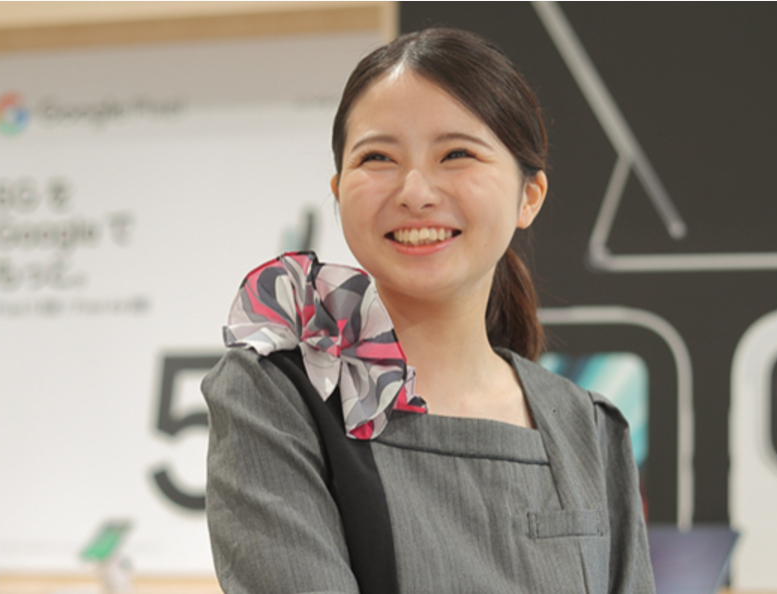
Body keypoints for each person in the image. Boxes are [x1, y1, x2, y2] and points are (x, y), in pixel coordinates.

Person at [203, 27, 655, 594]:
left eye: (456, 154)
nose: (415, 192)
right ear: (339, 191)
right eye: (378, 158)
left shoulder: (587, 428)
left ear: (529, 196)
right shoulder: (279, 394)